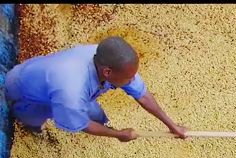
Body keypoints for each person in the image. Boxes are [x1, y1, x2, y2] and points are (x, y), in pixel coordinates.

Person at [4, 36, 187, 142]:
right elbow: (81, 124)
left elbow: (143, 95)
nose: (132, 80)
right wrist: (118, 135)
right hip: (27, 93)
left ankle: (103, 125)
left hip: (66, 88)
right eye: (128, 77)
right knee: (34, 120)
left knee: (96, 114)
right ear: (107, 72)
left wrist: (171, 125)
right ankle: (31, 126)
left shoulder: (110, 59)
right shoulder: (71, 90)